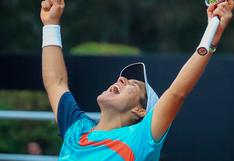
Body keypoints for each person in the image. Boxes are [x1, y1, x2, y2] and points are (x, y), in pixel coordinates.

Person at [40, 0, 233, 160]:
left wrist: (211, 39)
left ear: (140, 110)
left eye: (133, 84)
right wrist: (50, 24)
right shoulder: (77, 128)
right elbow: (55, 82)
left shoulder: (140, 138)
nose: (121, 79)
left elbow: (176, 93)